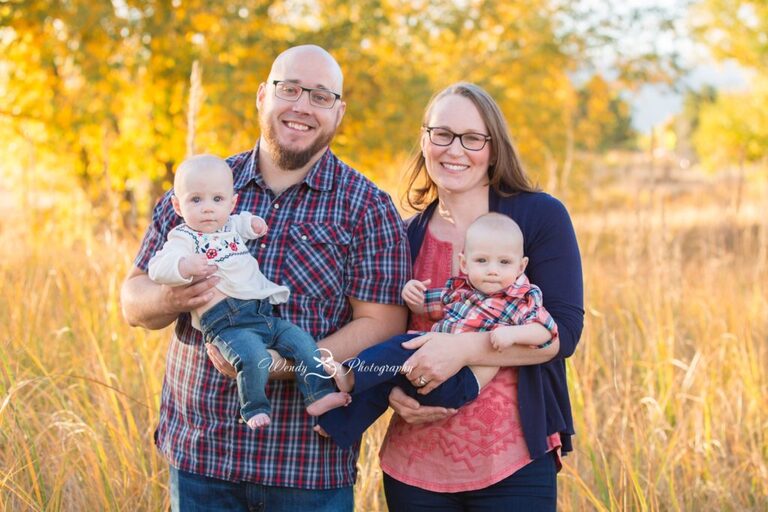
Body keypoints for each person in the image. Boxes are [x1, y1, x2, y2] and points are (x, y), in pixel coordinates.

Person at [120, 45, 410, 511]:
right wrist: (177, 296)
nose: (301, 106)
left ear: (339, 112)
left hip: (306, 466)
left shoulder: (368, 206)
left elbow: (384, 324)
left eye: (320, 96)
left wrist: (284, 363)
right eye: (289, 89)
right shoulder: (201, 186)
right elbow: (133, 301)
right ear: (262, 96)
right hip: (202, 454)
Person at [378, 83, 584, 511]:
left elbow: (563, 334)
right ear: (424, 140)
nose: (455, 150)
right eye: (442, 134)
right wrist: (390, 393)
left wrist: (462, 349)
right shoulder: (404, 236)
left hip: (513, 458)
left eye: (472, 138)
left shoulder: (539, 216)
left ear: (493, 149)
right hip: (416, 461)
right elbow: (388, 340)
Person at [317, 212, 558, 449]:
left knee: (403, 345)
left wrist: (513, 334)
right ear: (464, 263)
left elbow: (546, 331)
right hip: (428, 368)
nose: (492, 270)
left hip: (460, 382)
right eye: (481, 261)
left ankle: (352, 375)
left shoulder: (518, 299)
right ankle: (337, 426)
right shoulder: (459, 291)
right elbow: (423, 307)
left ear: (521, 266)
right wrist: (412, 293)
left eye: (504, 262)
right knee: (382, 383)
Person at [147, 154, 351, 430]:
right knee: (254, 356)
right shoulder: (184, 238)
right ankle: (253, 407)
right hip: (225, 322)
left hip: (261, 313)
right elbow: (158, 267)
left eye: (217, 200)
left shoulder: (230, 224)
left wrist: (254, 225)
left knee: (303, 343)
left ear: (231, 203)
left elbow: (244, 223)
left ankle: (318, 395)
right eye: (196, 200)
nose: (208, 209)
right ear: (177, 205)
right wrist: (183, 266)